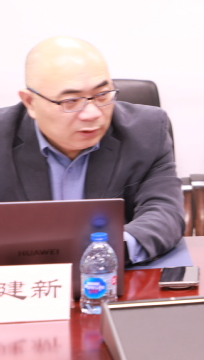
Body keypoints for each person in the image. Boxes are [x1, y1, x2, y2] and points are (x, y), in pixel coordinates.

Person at [0, 37, 184, 263]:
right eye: (70, 101)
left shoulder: (147, 131)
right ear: (30, 102)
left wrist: (105, 251)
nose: (93, 113)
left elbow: (164, 212)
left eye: (102, 95)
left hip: (109, 276)